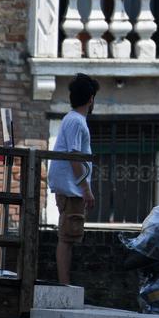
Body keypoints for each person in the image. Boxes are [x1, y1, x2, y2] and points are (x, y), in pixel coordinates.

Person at [48, 73, 98, 285]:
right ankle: (64, 283)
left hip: (69, 187)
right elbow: (74, 157)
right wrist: (86, 189)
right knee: (67, 238)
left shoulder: (71, 119)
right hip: (72, 188)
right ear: (91, 99)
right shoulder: (77, 122)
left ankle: (65, 282)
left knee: (67, 236)